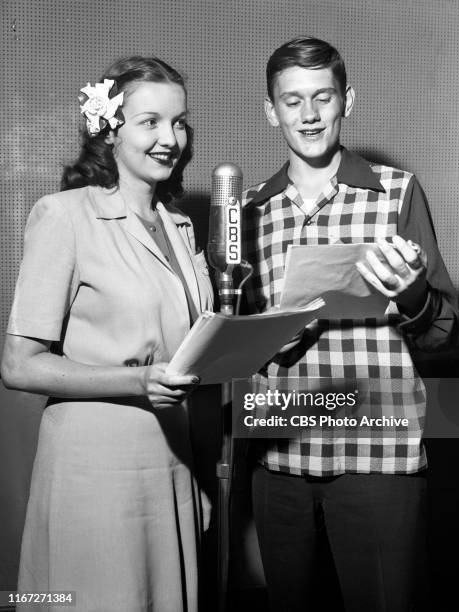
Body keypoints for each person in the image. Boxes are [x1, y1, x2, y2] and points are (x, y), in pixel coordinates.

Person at [242, 37, 459, 612]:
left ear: (348, 101)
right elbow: (235, 339)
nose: (308, 115)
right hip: (280, 457)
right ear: (271, 111)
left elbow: (443, 332)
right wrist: (263, 334)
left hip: (378, 454)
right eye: (292, 101)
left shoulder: (397, 193)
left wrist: (411, 291)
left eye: (323, 97)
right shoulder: (249, 209)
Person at [1, 56, 214, 612]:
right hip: (95, 474)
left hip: (171, 465)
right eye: (150, 122)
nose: (170, 138)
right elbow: (18, 365)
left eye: (179, 121)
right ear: (110, 130)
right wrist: (137, 380)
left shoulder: (181, 225)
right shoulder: (65, 216)